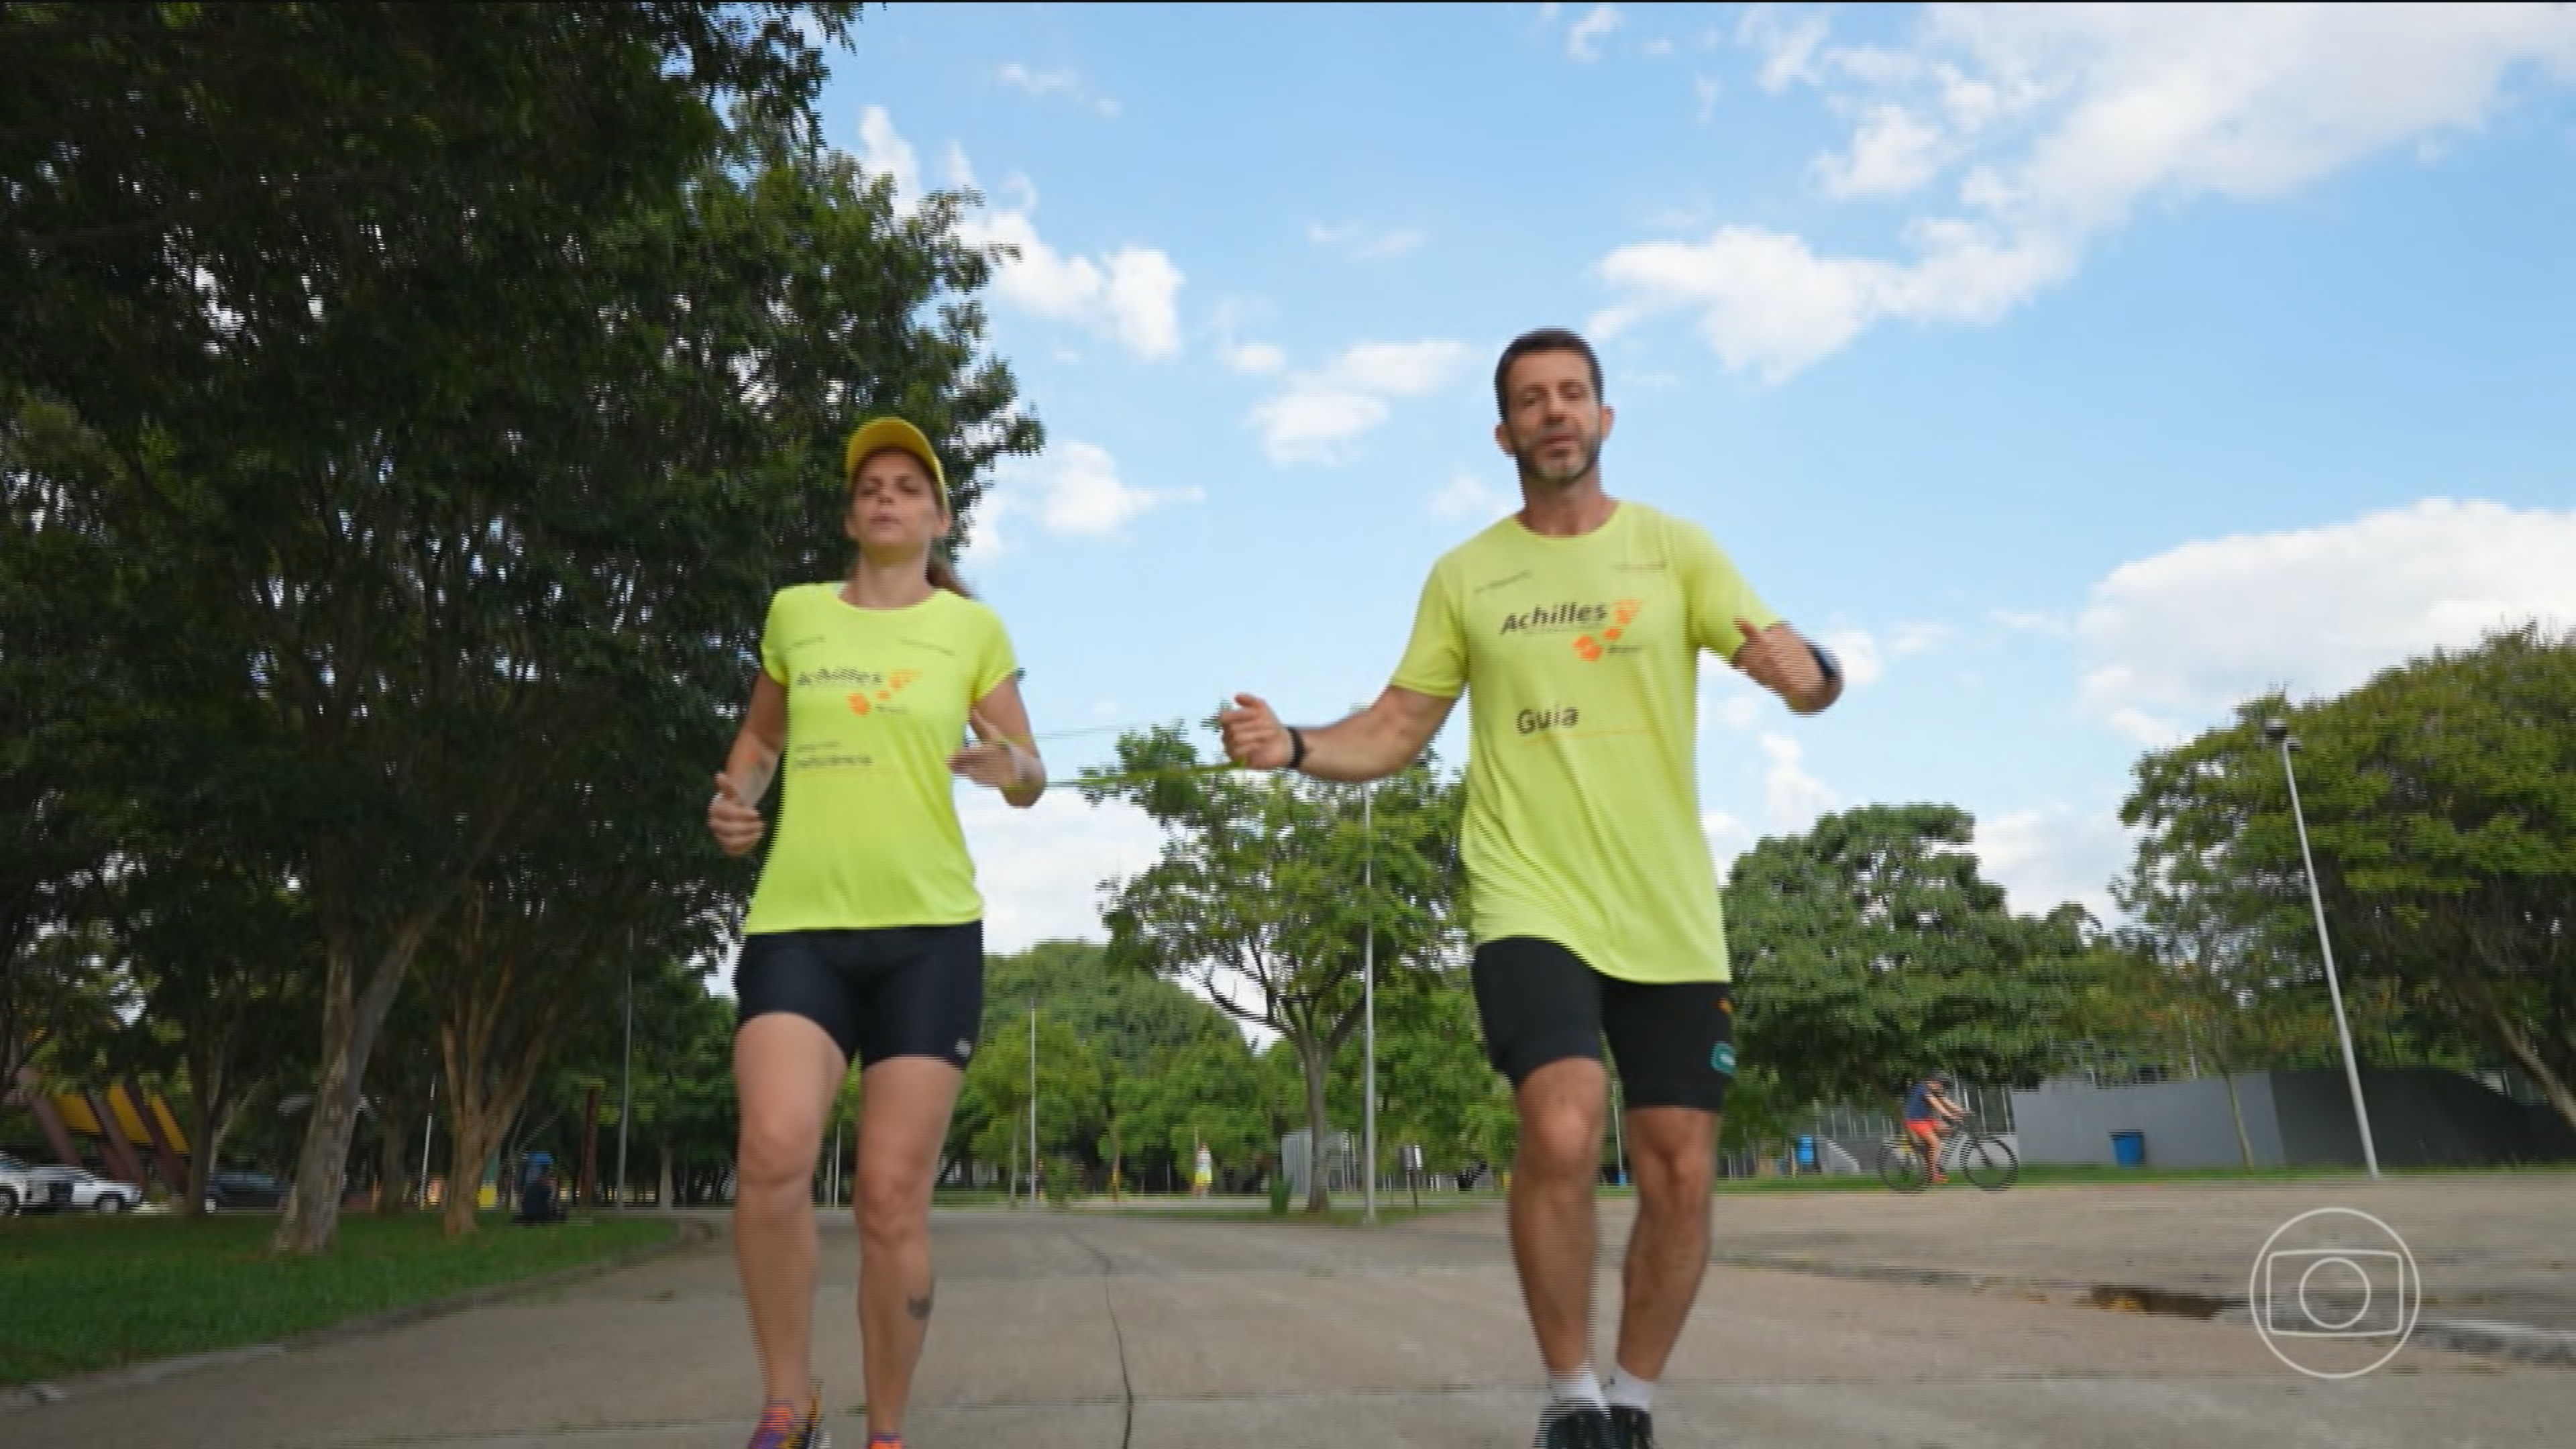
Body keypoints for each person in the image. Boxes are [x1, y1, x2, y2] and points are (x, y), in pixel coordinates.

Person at [1219, 328, 1843, 1449]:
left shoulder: (1677, 551)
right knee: (1561, 1125)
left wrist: (1818, 676)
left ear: (1605, 418)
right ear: (1504, 433)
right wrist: (1297, 747)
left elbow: (1792, 660)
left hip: (1667, 910)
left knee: (1682, 1170)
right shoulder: (1467, 574)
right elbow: (1398, 726)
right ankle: (1571, 1397)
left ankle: (1633, 1404)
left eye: (1574, 394)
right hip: (1528, 894)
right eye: (1531, 400)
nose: (1555, 412)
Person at [708, 417, 1046, 1449]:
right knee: (772, 1153)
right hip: (799, 926)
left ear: (939, 518)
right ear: (853, 514)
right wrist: (734, 800)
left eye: (909, 487)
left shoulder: (969, 633)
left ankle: (886, 1432)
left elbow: (1030, 771)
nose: (887, 499)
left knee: (891, 1199)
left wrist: (1008, 770)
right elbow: (761, 739)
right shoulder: (798, 614)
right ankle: (787, 1400)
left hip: (929, 935)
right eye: (871, 488)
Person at [1902, 1077, 1967, 1184]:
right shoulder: (1922, 1088)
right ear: (1935, 1082)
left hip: (1926, 1120)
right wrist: (1950, 1116)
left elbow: (1947, 1103)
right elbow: (1938, 1106)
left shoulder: (1935, 1090)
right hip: (1915, 1121)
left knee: (1949, 1130)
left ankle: (1931, 1153)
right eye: (1942, 1085)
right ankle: (1933, 1174)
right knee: (1936, 1144)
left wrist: (1963, 1112)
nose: (1942, 1088)